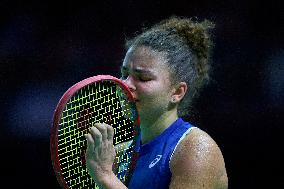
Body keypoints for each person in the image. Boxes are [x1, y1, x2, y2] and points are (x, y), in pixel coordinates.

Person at [84, 16, 228, 189]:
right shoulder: (118, 155)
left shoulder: (195, 150)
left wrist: (105, 176)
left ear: (177, 92)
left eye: (142, 78)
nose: (126, 84)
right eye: (124, 74)